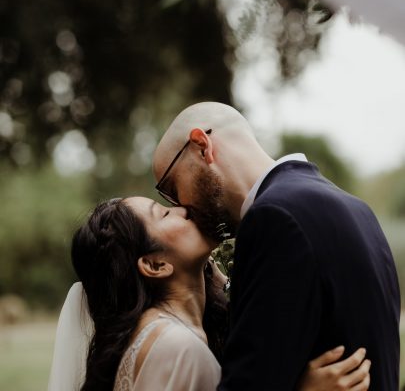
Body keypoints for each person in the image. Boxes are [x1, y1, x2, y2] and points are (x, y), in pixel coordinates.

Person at [153, 101, 401, 390]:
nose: (181, 207)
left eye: (171, 189)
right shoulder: (359, 210)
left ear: (202, 145)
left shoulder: (273, 219)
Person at [49, 196, 372, 391]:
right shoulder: (178, 348)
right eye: (163, 213)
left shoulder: (155, 334)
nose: (182, 209)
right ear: (155, 264)